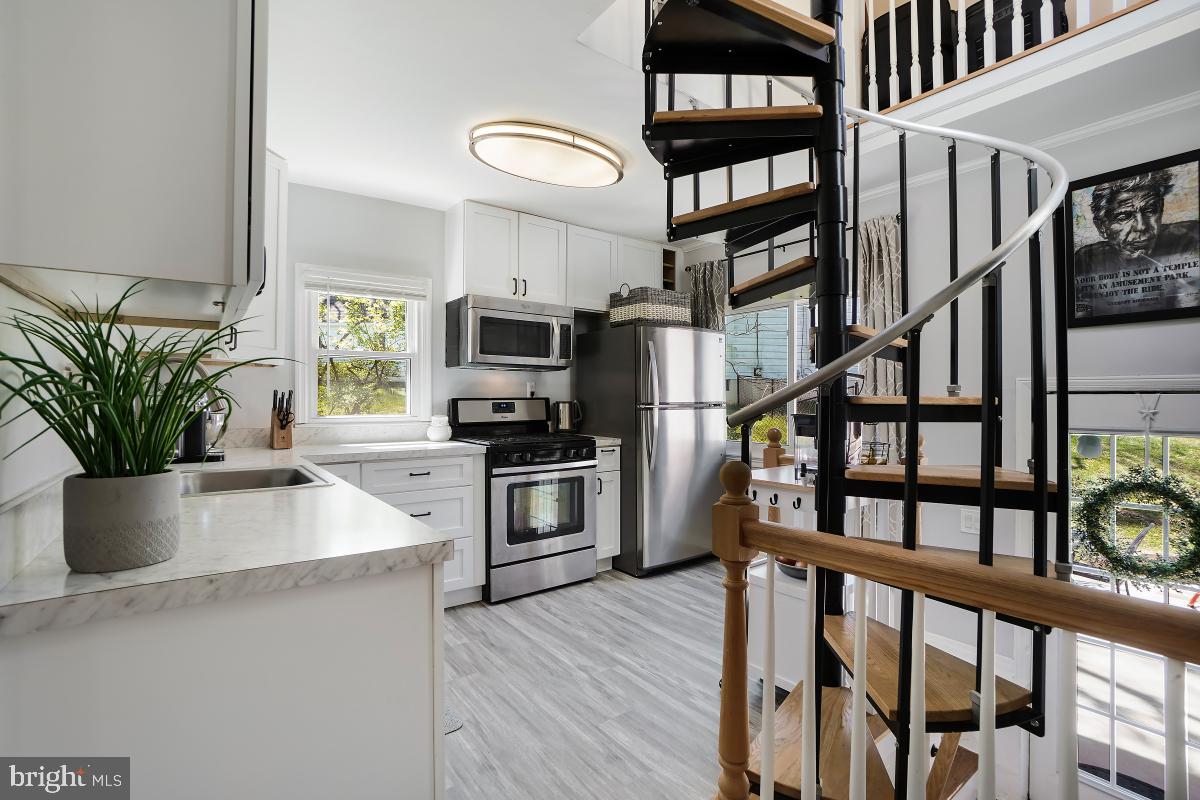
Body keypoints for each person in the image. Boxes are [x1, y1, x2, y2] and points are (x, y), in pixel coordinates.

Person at [1073, 168, 1200, 318]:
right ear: (1102, 227)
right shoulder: (1087, 259)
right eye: (1124, 216)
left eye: (1150, 210)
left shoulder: (1191, 238)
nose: (1141, 226)